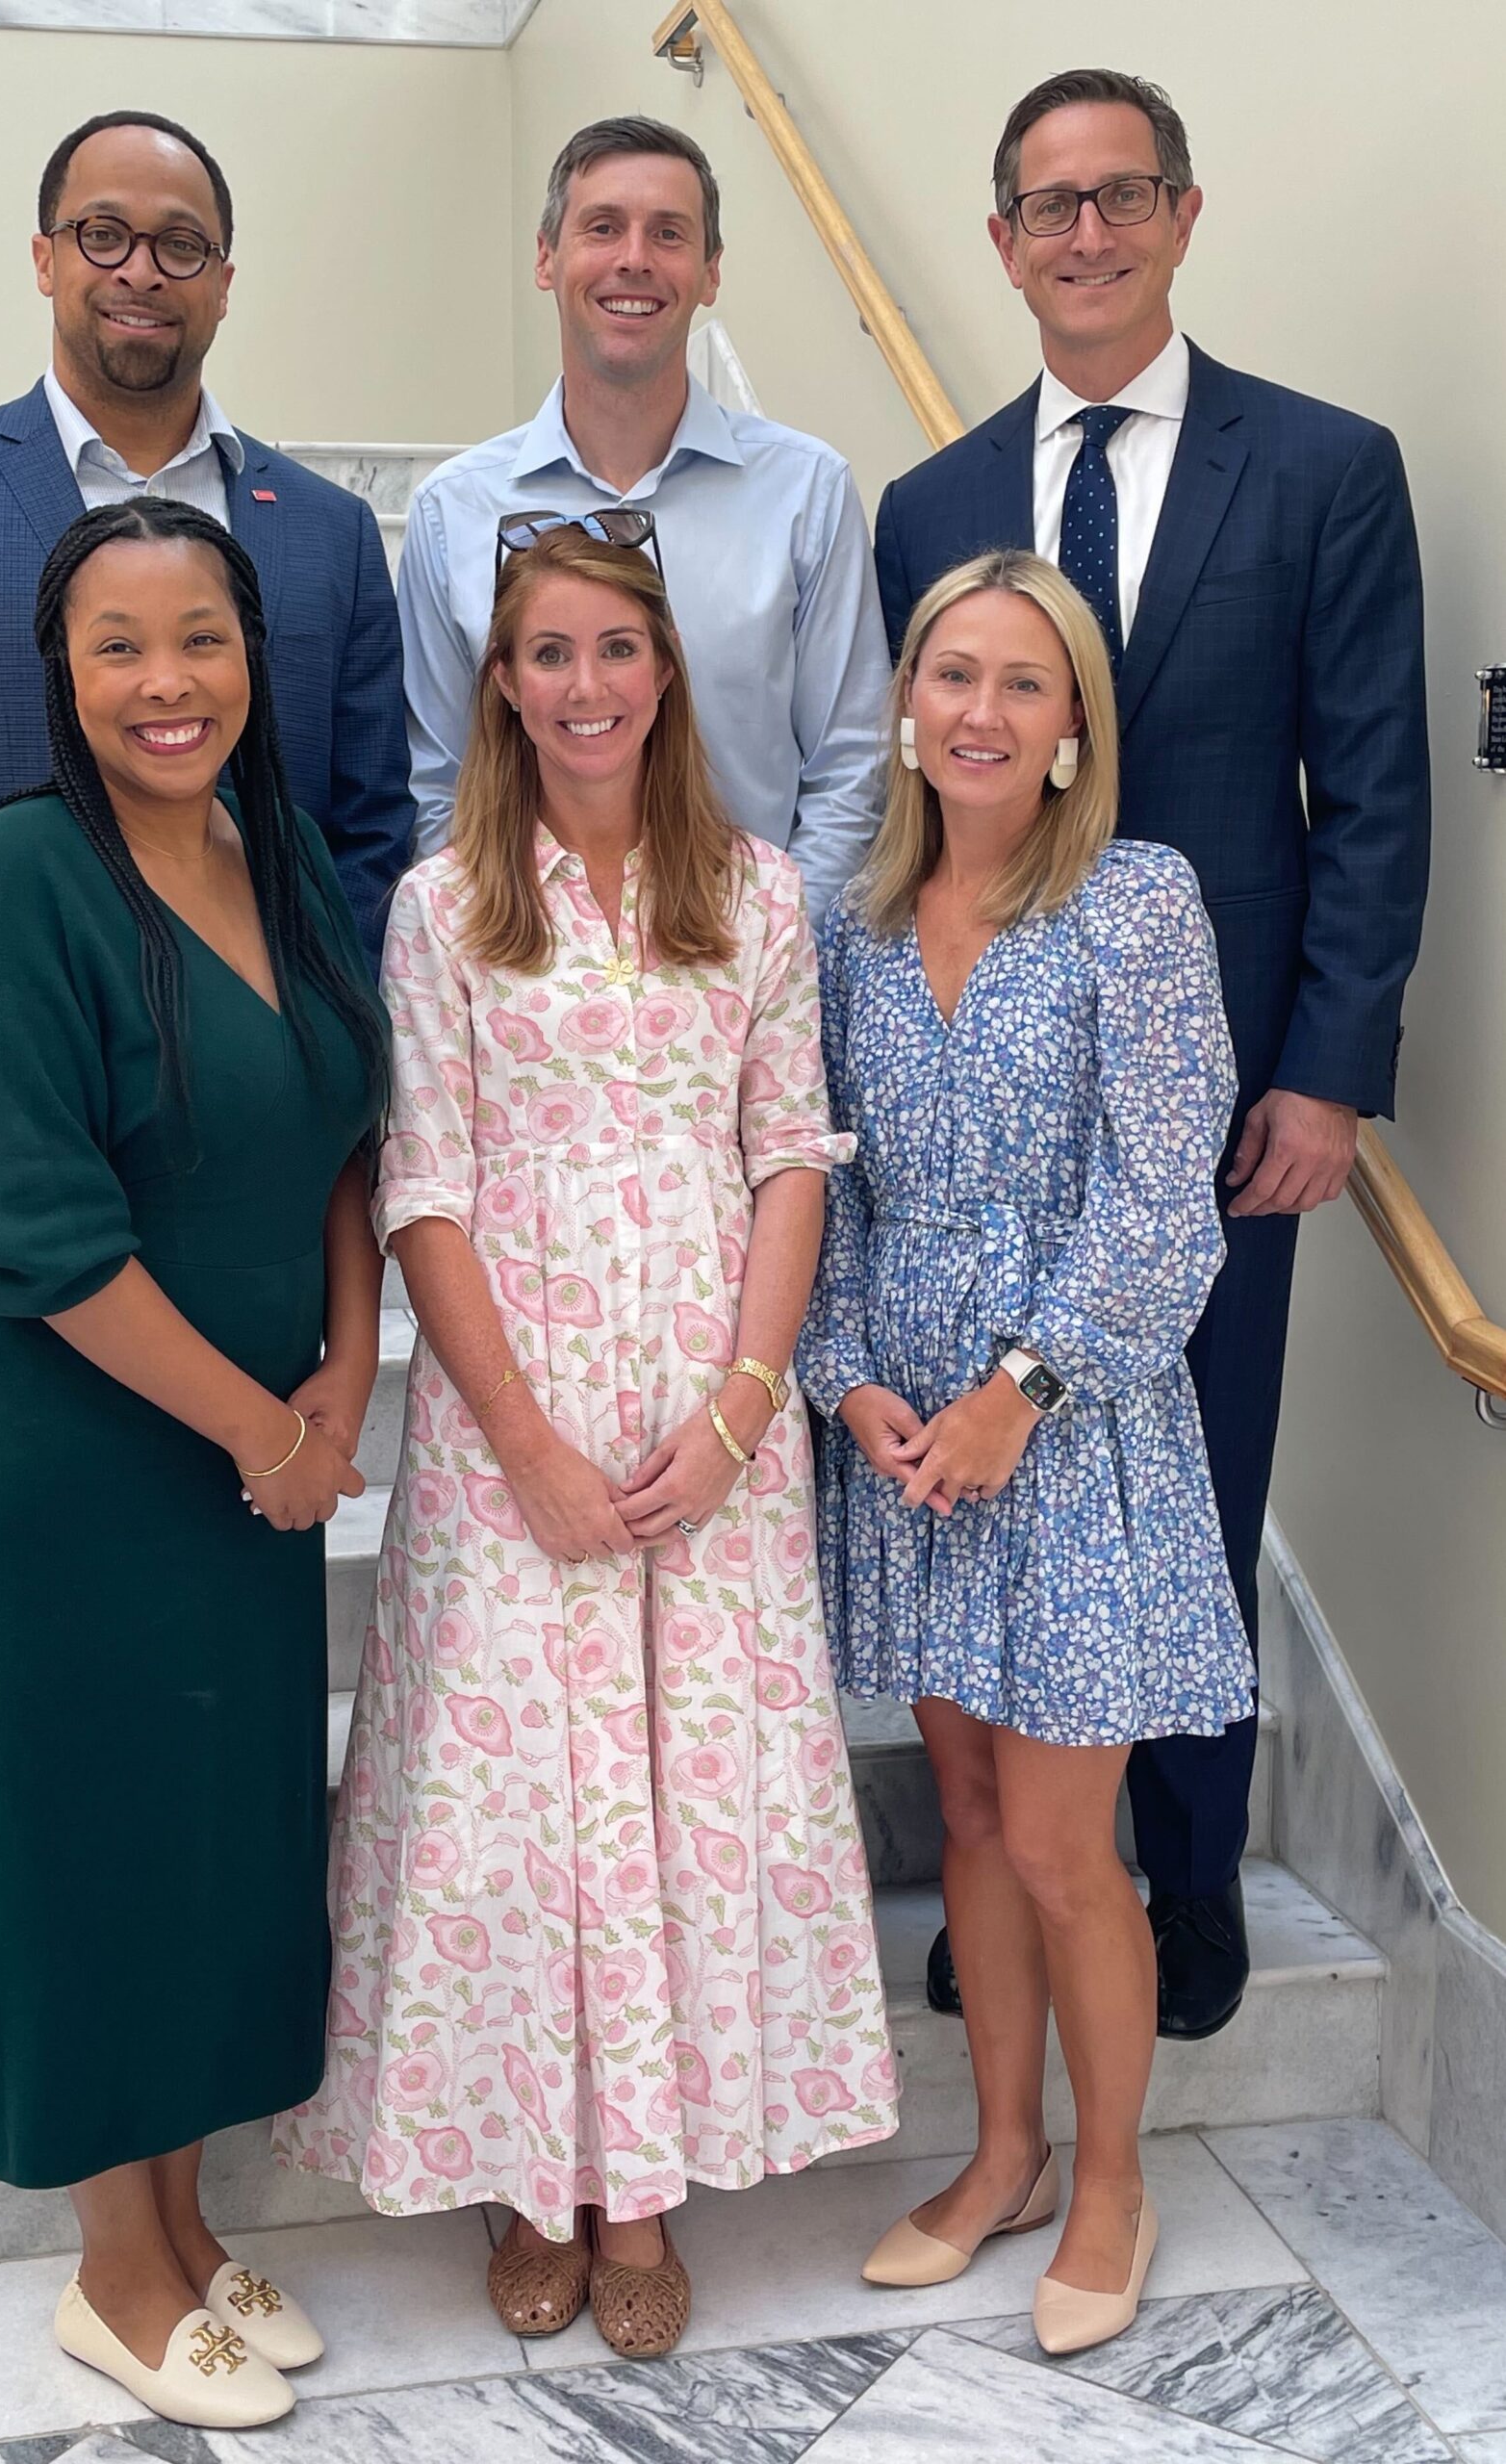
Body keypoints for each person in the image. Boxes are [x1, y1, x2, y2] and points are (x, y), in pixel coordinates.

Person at [274, 521, 896, 2356]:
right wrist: (528, 1446)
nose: (587, 686)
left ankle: (647, 2189)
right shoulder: (443, 904)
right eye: (548, 653)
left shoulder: (763, 895)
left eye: (616, 649)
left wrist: (735, 1407)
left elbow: (792, 1155)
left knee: (681, 1806)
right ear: (499, 683)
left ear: (666, 671)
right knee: (525, 1804)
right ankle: (529, 2166)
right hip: (509, 1414)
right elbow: (424, 1184)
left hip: (708, 1405)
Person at [874, 68, 1430, 2039]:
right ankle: (1027, 1885)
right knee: (1010, 1480)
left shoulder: (1323, 469)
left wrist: (1331, 1066)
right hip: (988, 1104)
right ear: (1005, 236)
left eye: (1123, 197)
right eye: (1049, 203)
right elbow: (927, 790)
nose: (1086, 233)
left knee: (1191, 1473)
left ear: (1184, 218)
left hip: (1222, 1105)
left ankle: (1178, 1871)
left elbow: (1370, 784)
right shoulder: (931, 506)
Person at [0, 108, 414, 1869]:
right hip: (43, 1144)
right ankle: (15, 1859)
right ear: (48, 252)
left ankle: (203, 1901)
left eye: (180, 241)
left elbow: (363, 825)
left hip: (255, 1158)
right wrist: (40, 1040)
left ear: (225, 274)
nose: (141, 269)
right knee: (53, 1558)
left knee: (223, 1568)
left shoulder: (312, 528)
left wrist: (287, 1053)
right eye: (106, 233)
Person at [0, 498, 389, 2430]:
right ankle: (114, 2274)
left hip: (260, 1457)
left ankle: (186, 2228)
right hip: (81, 1463)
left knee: (210, 1843)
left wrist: (350, 1377)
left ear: (252, 656)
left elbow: (355, 1131)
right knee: (103, 1840)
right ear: (65, 674)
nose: (165, 682)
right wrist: (271, 1424)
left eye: (199, 636)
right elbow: (33, 1230)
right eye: (119, 645)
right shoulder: (19, 878)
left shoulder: (283, 862)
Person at [799, 550, 1251, 2354]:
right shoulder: (852, 917)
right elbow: (823, 1183)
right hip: (911, 1438)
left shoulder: (1134, 906)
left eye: (1022, 684)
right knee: (969, 1816)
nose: (980, 712)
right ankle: (1002, 2155)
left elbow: (1165, 1200)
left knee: (1069, 1841)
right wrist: (845, 1381)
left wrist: (1021, 1391)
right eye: (952, 675)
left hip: (1072, 1435)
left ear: (1073, 730)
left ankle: (1117, 2179)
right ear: (908, 707)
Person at [398, 114, 885, 926]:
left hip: (754, 999)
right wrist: (505, 967)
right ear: (547, 258)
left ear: (710, 272)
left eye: (669, 233)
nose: (634, 259)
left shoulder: (808, 493)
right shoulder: (455, 512)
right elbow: (443, 780)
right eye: (602, 228)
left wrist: (774, 962)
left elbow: (851, 766)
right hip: (531, 1003)